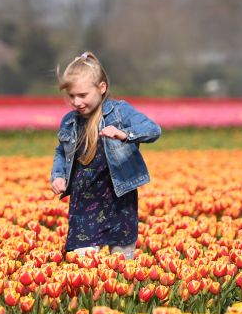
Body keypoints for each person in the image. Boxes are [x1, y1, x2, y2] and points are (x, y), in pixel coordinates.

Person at [50, 52, 161, 259]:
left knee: (121, 261)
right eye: (72, 96)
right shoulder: (69, 121)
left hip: (118, 198)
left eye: (82, 95)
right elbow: (60, 151)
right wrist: (58, 176)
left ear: (101, 88)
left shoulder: (119, 112)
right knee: (83, 262)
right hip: (84, 201)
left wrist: (125, 134)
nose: (76, 102)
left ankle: (118, 290)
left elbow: (153, 130)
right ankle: (92, 293)